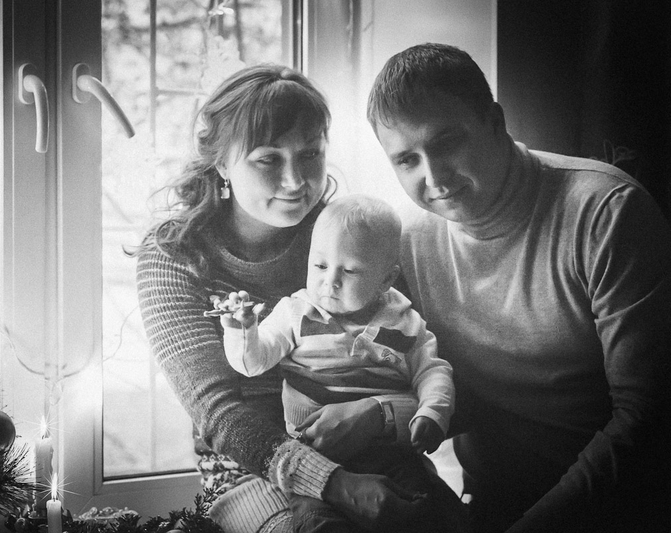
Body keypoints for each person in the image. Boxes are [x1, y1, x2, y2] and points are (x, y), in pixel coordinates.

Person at [135, 64, 466, 533]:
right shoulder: (175, 253)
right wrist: (335, 484)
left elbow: (429, 369)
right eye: (268, 159)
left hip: (379, 454)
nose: (295, 181)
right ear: (222, 164)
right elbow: (217, 412)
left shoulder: (349, 237)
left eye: (310, 154)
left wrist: (378, 414)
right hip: (249, 473)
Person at [366, 42, 671, 533]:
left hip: (623, 508)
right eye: (406, 160)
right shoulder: (409, 241)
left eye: (446, 142)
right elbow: (450, 388)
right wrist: (377, 416)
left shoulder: (606, 212)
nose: (433, 177)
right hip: (490, 504)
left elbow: (646, 418)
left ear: (495, 121)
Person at [213, 193, 460, 532]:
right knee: (318, 524)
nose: (330, 281)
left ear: (386, 280)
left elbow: (432, 371)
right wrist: (242, 330)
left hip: (391, 453)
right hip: (315, 454)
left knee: (428, 512)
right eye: (320, 266)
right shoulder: (295, 313)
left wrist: (433, 411)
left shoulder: (404, 322)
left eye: (350, 270)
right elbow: (252, 363)